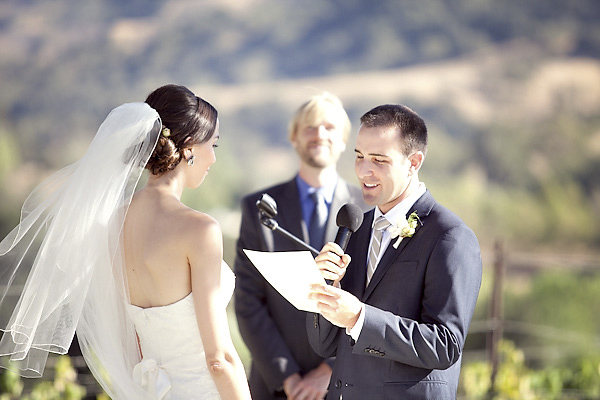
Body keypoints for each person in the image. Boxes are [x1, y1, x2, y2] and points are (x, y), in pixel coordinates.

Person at [0, 84, 251, 400]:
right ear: (188, 147)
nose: (213, 158)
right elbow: (219, 360)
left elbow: (126, 344)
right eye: (212, 145)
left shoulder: (111, 226)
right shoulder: (200, 229)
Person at [307, 104, 482, 400]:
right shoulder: (356, 232)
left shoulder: (450, 237)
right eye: (359, 156)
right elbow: (325, 346)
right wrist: (326, 289)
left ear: (413, 162)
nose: (364, 170)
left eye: (379, 160)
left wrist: (359, 317)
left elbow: (445, 345)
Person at [234, 92, 367, 399]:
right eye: (309, 127)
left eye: (329, 127)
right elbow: (248, 302)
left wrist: (331, 368)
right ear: (293, 138)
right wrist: (288, 377)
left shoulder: (368, 209)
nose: (319, 134)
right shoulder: (258, 208)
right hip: (276, 387)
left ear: (345, 140)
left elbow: (376, 297)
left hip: (346, 383)